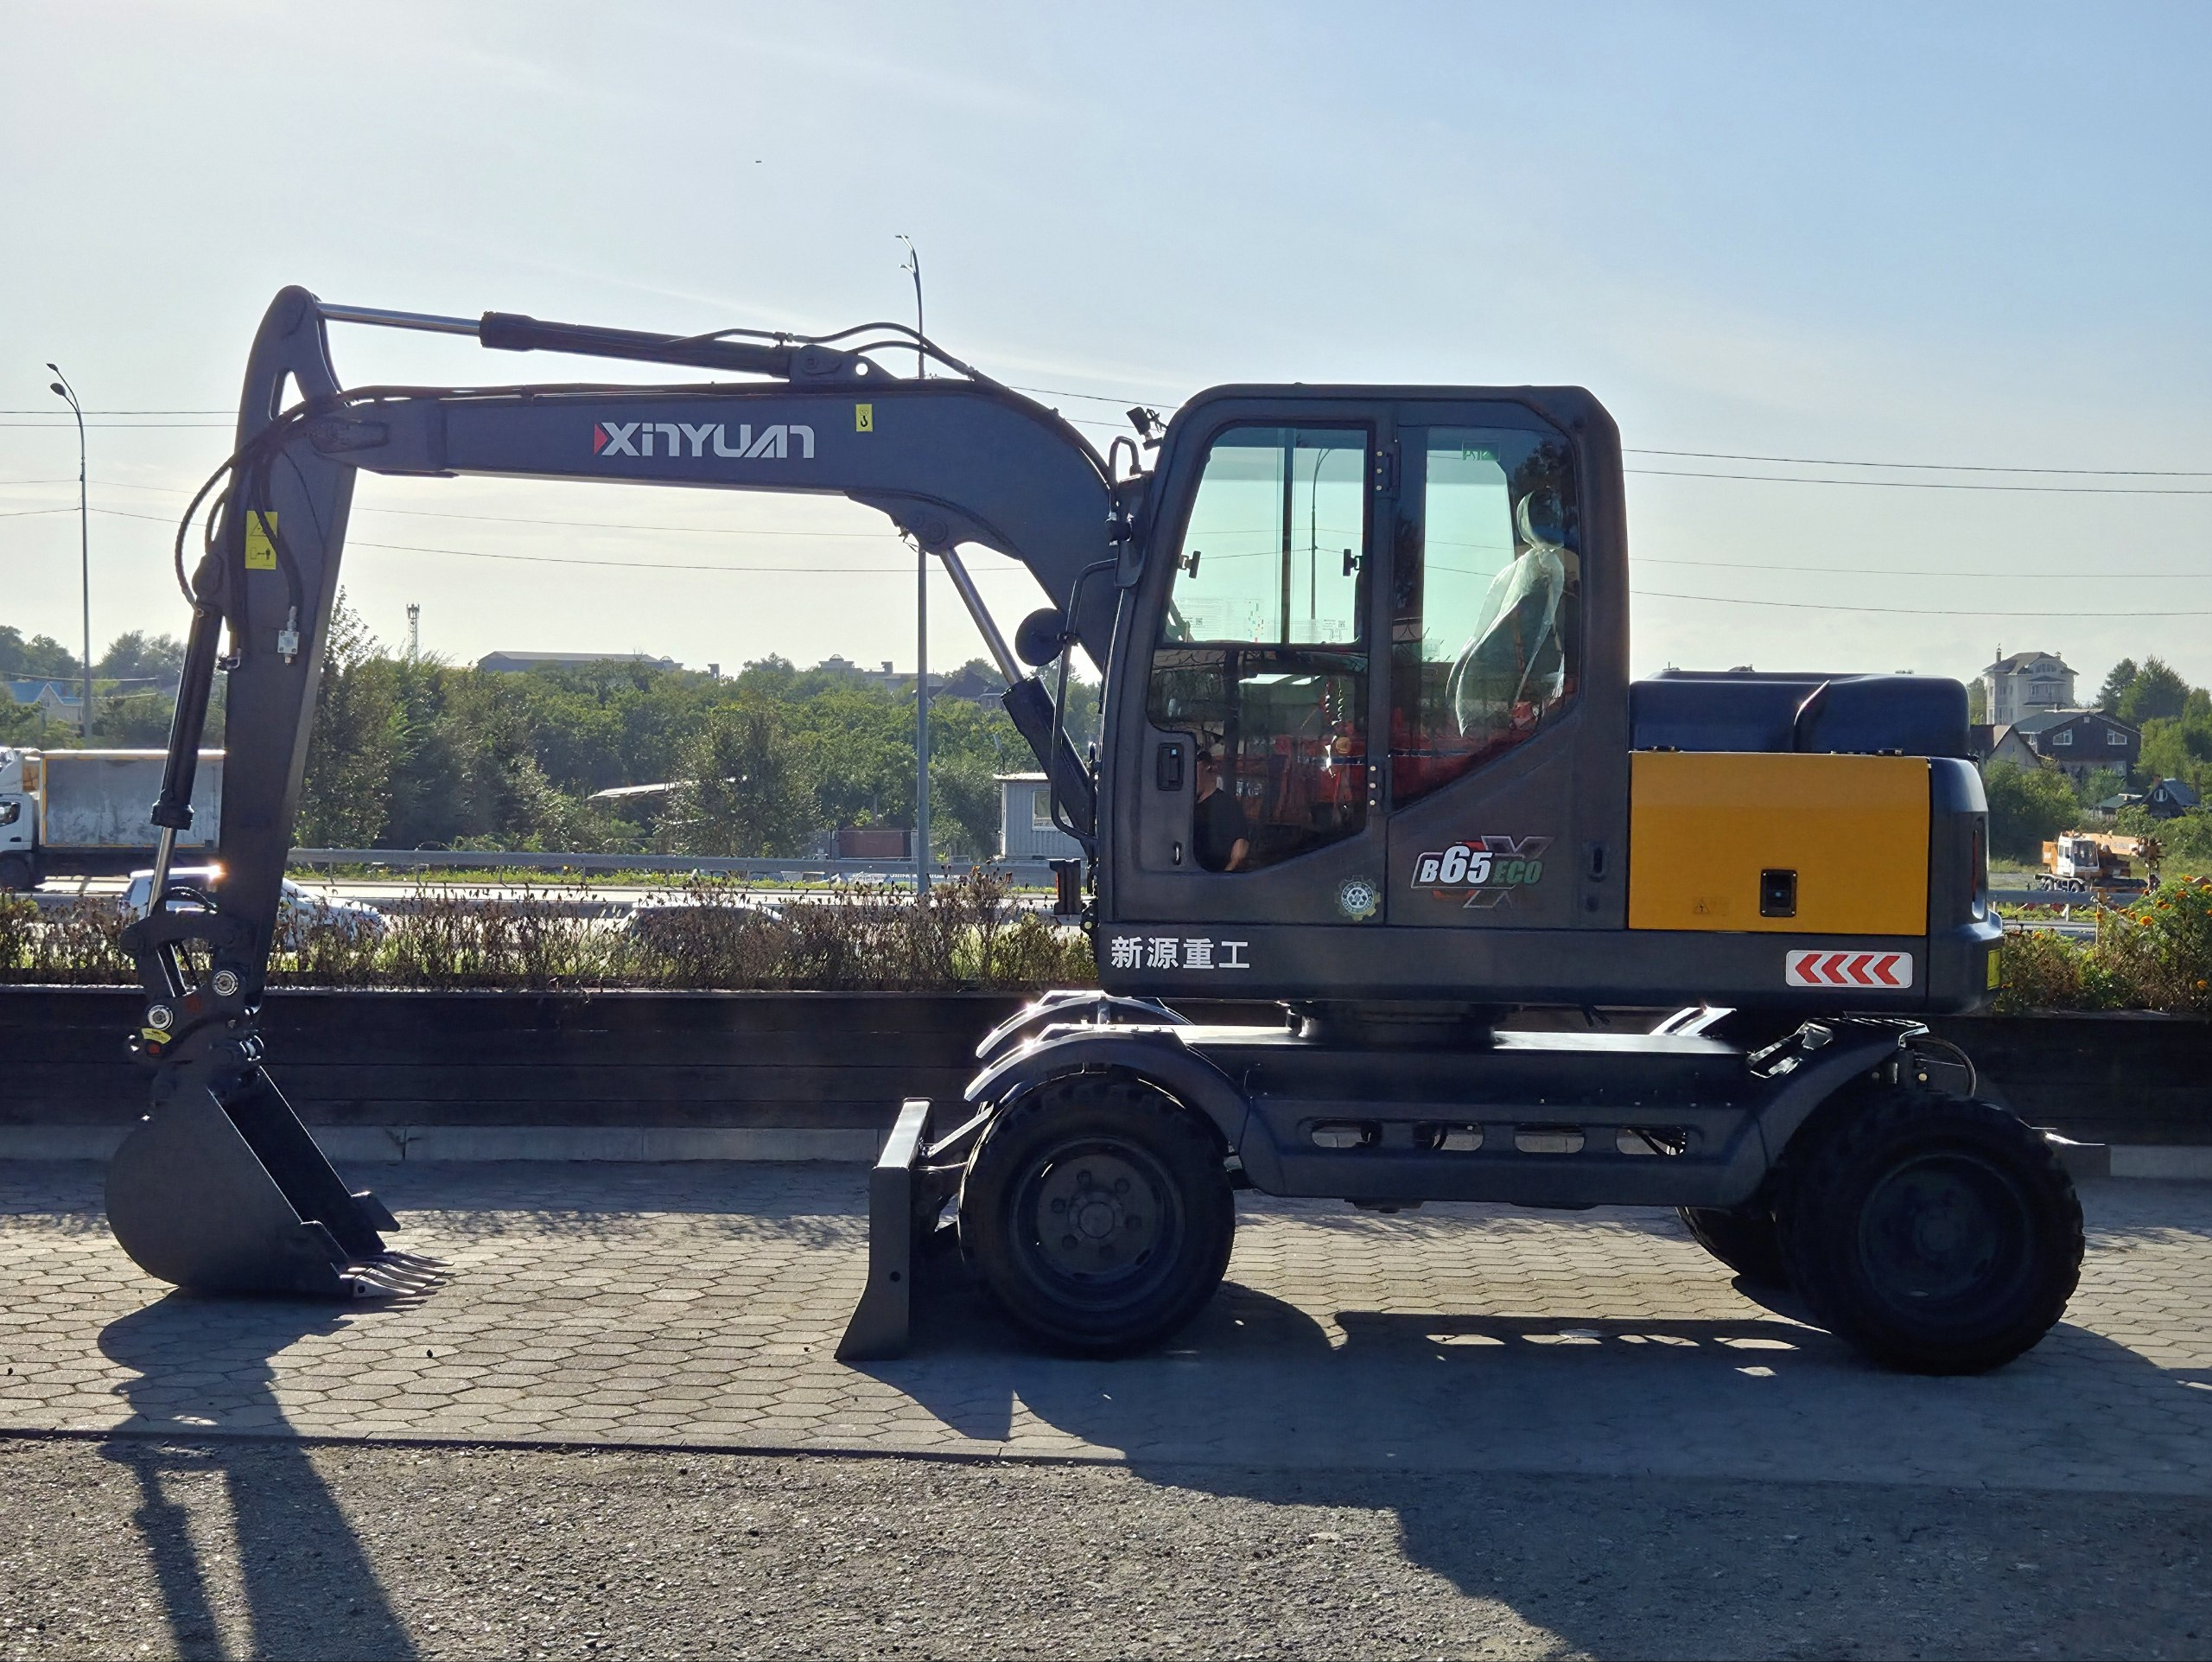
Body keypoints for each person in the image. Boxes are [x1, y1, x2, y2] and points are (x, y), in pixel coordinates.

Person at [1193, 748, 1250, 872]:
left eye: (1193, 770)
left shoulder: (1227, 806)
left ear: (1207, 768)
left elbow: (1240, 850)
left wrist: (1222, 878)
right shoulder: (1189, 808)